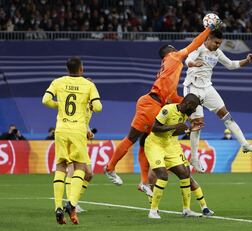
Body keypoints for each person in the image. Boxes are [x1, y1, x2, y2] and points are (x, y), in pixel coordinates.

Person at [104, 20, 221, 192]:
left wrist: (194, 105)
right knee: (136, 137)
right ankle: (111, 168)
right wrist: (208, 29)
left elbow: (174, 98)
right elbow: (195, 44)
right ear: (171, 51)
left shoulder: (171, 70)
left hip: (154, 103)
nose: (179, 51)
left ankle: (142, 181)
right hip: (150, 104)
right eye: (175, 49)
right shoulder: (173, 57)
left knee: (144, 140)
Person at [183, 29, 252, 172]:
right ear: (208, 39)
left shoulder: (217, 53)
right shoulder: (199, 48)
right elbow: (188, 59)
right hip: (192, 88)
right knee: (197, 124)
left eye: (220, 43)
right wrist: (193, 64)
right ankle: (194, 159)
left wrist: (247, 61)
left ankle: (244, 144)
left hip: (207, 88)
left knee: (226, 115)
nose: (218, 45)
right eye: (216, 42)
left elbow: (231, 65)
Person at [42, 56, 102, 225]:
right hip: (77, 131)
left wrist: (59, 106)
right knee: (80, 167)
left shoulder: (58, 82)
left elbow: (45, 100)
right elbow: (98, 107)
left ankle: (58, 207)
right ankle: (72, 204)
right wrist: (88, 105)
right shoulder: (89, 85)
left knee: (61, 166)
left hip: (61, 129)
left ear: (67, 69)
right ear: (81, 69)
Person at [145, 93, 203, 218]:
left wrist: (189, 129)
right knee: (163, 175)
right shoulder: (168, 109)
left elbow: (173, 132)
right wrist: (175, 126)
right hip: (154, 145)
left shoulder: (184, 115)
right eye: (194, 107)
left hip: (168, 145)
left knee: (185, 174)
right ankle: (153, 211)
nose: (194, 110)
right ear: (189, 104)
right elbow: (155, 128)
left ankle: (186, 209)